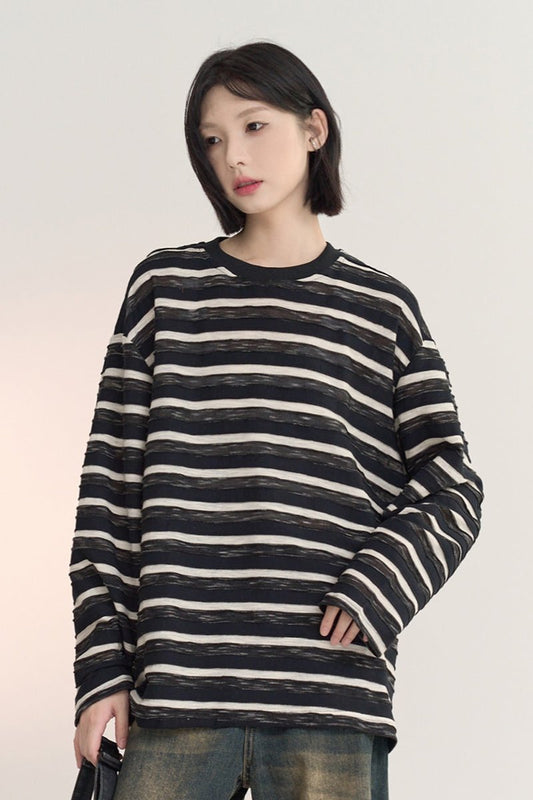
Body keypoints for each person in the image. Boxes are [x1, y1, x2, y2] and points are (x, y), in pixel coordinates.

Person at [69, 40, 483, 800]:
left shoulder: (381, 310)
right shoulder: (165, 289)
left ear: (314, 129)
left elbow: (453, 488)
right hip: (179, 691)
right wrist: (101, 672)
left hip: (330, 693)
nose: (232, 156)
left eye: (254, 126)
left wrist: (377, 587)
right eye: (212, 139)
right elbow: (109, 496)